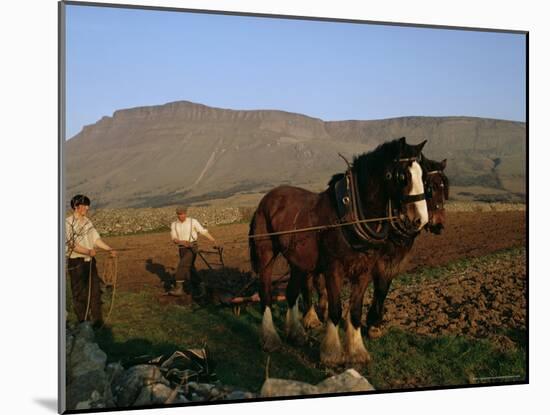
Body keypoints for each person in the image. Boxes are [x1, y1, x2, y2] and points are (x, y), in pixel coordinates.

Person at [65, 194, 117, 327]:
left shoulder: (88, 222)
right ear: (76, 206)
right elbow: (72, 244)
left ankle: (98, 321)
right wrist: (87, 251)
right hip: (76, 262)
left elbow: (95, 239)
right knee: (79, 292)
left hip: (90, 262)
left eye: (87, 205)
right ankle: (83, 321)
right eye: (84, 205)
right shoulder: (67, 223)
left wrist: (109, 248)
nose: (87, 208)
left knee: (94, 290)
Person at [169, 206, 219, 298]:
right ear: (177, 215)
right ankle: (201, 286)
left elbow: (203, 231)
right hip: (182, 249)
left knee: (182, 265)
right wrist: (183, 242)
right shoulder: (174, 224)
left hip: (193, 247)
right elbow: (174, 239)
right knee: (190, 268)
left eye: (183, 214)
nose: (182, 216)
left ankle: (179, 288)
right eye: (180, 214)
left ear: (186, 213)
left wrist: (213, 240)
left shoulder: (193, 221)